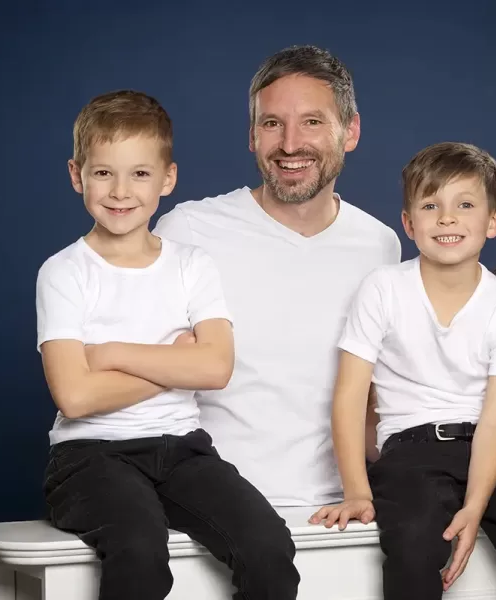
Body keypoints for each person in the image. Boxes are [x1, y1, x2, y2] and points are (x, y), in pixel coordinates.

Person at [35, 90, 299, 600]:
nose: (120, 191)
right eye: (103, 172)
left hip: (183, 450)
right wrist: (176, 361)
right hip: (89, 458)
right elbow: (76, 398)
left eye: (139, 173)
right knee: (138, 548)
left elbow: (217, 367)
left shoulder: (191, 265)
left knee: (268, 545)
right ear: (77, 175)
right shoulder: (64, 272)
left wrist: (110, 354)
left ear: (167, 179)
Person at [310, 142, 496, 600]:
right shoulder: (383, 289)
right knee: (413, 546)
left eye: (465, 205)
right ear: (409, 223)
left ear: (494, 221)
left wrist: (475, 507)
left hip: (493, 448)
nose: (447, 218)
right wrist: (356, 490)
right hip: (411, 450)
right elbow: (349, 396)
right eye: (431, 205)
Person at [153, 45, 401, 506]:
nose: (290, 144)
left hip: (339, 514)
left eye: (312, 121)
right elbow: (145, 381)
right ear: (252, 135)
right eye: (272, 123)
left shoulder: (380, 245)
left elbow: (374, 395)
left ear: (351, 131)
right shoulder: (187, 231)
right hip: (205, 510)